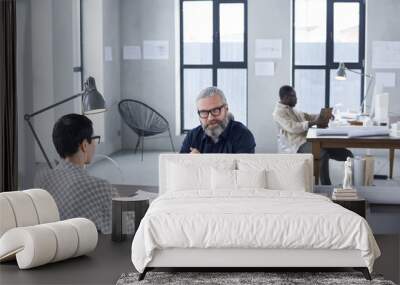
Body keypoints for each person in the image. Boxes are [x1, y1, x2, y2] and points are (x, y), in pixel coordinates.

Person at [35, 114, 118, 234]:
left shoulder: (41, 179)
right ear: (84, 145)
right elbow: (125, 227)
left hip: (51, 247)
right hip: (91, 250)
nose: (95, 144)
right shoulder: (100, 187)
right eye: (94, 138)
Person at [272, 85, 353, 185]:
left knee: (348, 155)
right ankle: (326, 186)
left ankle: (349, 185)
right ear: (285, 97)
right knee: (322, 154)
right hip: (298, 145)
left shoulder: (292, 109)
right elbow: (293, 127)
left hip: (312, 139)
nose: (296, 99)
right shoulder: (278, 113)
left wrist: (324, 115)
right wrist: (313, 122)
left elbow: (308, 116)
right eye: (294, 96)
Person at [180, 86, 256, 154]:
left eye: (215, 110)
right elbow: (180, 167)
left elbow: (241, 169)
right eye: (204, 112)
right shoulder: (192, 136)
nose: (210, 118)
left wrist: (200, 163)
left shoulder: (243, 135)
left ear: (226, 109)